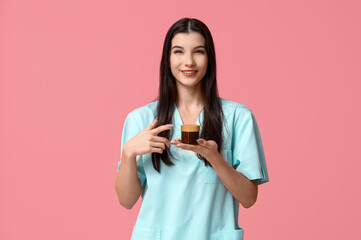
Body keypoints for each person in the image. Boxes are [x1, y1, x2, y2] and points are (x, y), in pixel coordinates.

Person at [115, 17, 269, 240]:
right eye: (178, 51)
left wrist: (214, 158)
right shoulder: (141, 119)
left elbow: (249, 198)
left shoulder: (238, 117)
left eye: (198, 51)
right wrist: (128, 154)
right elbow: (126, 200)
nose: (188, 62)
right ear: (167, 59)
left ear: (210, 59)